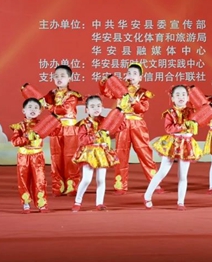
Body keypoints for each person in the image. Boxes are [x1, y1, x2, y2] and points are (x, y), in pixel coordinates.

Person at [99, 63, 161, 194]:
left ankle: (154, 183)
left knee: (144, 152)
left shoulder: (143, 93)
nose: (131, 76)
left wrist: (135, 102)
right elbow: (106, 93)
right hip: (122, 123)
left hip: (138, 125)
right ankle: (120, 185)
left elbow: (143, 108)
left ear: (140, 78)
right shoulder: (120, 90)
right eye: (129, 73)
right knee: (120, 153)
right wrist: (104, 83)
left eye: (134, 74)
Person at [144, 85, 203, 210]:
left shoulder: (193, 112)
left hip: (187, 144)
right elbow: (169, 128)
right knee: (162, 172)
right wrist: (183, 126)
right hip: (172, 144)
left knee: (183, 175)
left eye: (183, 94)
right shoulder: (169, 113)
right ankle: (147, 195)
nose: (181, 97)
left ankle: (181, 202)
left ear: (188, 97)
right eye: (177, 95)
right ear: (172, 98)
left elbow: (196, 127)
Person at [72, 96, 120, 212]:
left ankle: (99, 203)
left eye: (98, 106)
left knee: (101, 179)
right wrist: (95, 136)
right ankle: (77, 201)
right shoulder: (84, 124)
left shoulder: (105, 121)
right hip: (89, 153)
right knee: (87, 179)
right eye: (92, 106)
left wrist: (118, 123)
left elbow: (114, 131)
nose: (96, 109)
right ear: (87, 110)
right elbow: (82, 139)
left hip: (102, 152)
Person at [43, 65, 83, 196]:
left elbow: (64, 110)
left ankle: (72, 185)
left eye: (62, 76)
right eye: (56, 76)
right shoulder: (51, 94)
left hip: (69, 130)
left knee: (70, 157)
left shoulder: (73, 95)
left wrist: (48, 106)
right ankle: (58, 185)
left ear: (69, 78)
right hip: (55, 128)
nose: (59, 78)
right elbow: (41, 102)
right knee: (56, 158)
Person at [10, 98, 50, 214]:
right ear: (24, 110)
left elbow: (53, 131)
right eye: (30, 107)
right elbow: (14, 142)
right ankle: (26, 202)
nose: (33, 110)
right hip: (23, 157)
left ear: (40, 111)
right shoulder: (19, 126)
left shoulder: (42, 125)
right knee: (23, 180)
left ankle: (41, 203)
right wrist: (26, 138)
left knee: (40, 180)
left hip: (37, 156)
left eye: (36, 108)